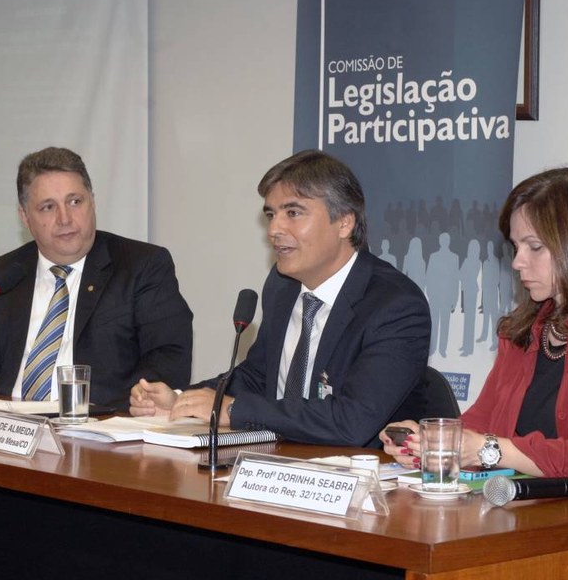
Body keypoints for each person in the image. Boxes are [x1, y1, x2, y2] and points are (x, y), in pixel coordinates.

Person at [381, 167, 568, 491]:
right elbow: (482, 422)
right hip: (538, 508)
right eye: (516, 246)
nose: (517, 262)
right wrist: (430, 443)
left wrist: (491, 450)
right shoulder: (524, 326)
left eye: (534, 247)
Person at [130, 149, 431, 447]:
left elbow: (351, 421)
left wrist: (231, 409)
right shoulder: (282, 286)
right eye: (271, 215)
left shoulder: (395, 305)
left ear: (344, 223)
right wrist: (181, 401)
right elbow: (257, 377)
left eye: (293, 213)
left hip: (359, 471)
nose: (274, 229)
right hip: (281, 461)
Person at [0, 147, 193, 409]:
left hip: (98, 426)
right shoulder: (3, 272)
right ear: (25, 217)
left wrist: (146, 395)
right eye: (48, 207)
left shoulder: (141, 266)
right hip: (13, 426)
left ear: (92, 202)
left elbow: (168, 352)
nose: (65, 218)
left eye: (75, 202)